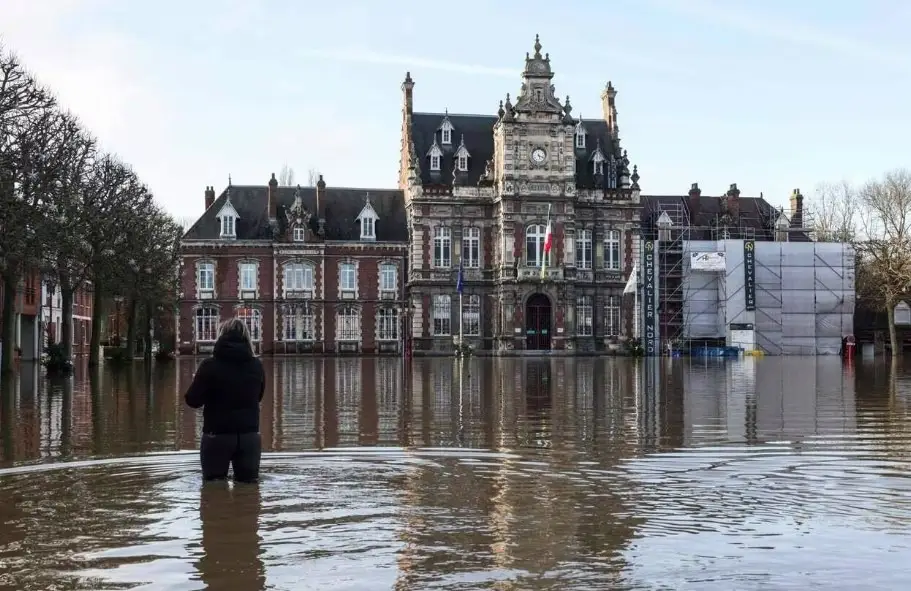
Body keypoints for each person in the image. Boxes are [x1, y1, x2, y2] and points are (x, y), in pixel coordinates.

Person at [185, 317, 265, 482]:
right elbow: (258, 397)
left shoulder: (209, 365)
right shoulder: (257, 366)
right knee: (249, 490)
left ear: (220, 337)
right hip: (249, 436)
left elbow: (192, 400)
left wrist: (201, 382)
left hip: (217, 436)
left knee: (213, 488)